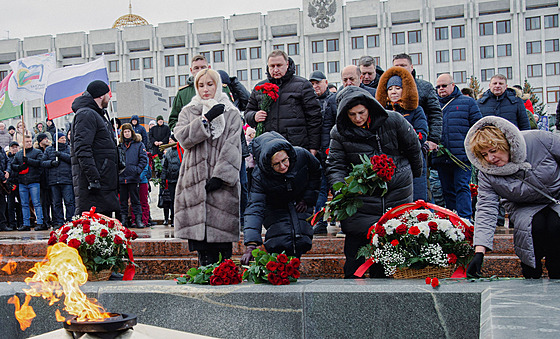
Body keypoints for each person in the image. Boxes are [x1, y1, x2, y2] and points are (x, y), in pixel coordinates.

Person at [326, 86, 423, 278]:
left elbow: (414, 149)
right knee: (355, 259)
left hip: (396, 193)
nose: (358, 118)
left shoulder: (393, 120)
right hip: (361, 199)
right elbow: (336, 165)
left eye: (361, 112)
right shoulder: (339, 132)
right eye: (352, 114)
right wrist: (341, 190)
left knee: (386, 259)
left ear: (369, 107)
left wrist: (411, 176)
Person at [465, 116, 560, 279]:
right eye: (484, 154)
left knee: (555, 224)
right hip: (523, 206)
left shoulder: (539, 140)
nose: (490, 159)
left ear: (506, 143)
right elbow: (486, 209)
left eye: (493, 151)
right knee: (533, 226)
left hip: (557, 197)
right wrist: (479, 251)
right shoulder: (487, 172)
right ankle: (531, 274)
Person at [173, 68, 242, 266]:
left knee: (221, 244)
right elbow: (183, 138)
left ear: (218, 85)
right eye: (200, 85)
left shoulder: (231, 113)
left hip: (221, 184)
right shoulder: (189, 110)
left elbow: (233, 146)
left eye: (210, 84)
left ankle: (223, 277)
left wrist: (221, 176)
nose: (205, 89)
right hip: (193, 181)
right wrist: (205, 119)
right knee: (200, 245)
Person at [241, 131, 321, 264]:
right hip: (274, 206)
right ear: (268, 165)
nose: (283, 166)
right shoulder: (260, 175)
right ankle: (280, 268)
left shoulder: (301, 155)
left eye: (284, 160)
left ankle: (293, 266)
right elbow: (255, 206)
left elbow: (316, 172)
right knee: (280, 238)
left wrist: (307, 198)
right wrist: (251, 244)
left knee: (301, 237)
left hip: (299, 200)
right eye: (276, 164)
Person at [245, 50, 322, 155]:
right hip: (269, 146)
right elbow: (248, 112)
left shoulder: (302, 85)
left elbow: (314, 118)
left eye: (279, 65)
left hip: (296, 145)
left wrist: (314, 147)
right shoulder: (260, 88)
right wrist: (254, 116)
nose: (275, 69)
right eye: (272, 66)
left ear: (287, 64)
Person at [432, 74, 482, 219]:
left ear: (453, 85)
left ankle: (465, 220)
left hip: (461, 156)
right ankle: (453, 219)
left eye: (444, 86)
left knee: (462, 188)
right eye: (438, 86)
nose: (441, 89)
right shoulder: (434, 104)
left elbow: (477, 128)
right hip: (441, 157)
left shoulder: (468, 102)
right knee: (447, 191)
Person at [376, 66, 428, 201]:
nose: (393, 92)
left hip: (412, 158)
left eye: (397, 88)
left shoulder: (416, 111)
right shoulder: (380, 113)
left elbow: (422, 134)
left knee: (417, 197)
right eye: (390, 89)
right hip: (389, 160)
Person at [71, 80, 119, 217]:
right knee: (94, 230)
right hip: (94, 185)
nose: (110, 98)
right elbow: (82, 149)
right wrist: (94, 178)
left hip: (103, 181)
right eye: (108, 94)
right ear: (101, 96)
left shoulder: (97, 114)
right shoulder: (86, 114)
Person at [393, 53, 443, 151]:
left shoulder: (425, 87)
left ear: (411, 67)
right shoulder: (386, 88)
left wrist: (433, 139)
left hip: (419, 141)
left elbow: (435, 113)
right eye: (396, 66)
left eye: (403, 65)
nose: (400, 69)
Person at [169, 54, 233, 130]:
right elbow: (174, 121)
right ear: (191, 70)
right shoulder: (183, 93)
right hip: (194, 139)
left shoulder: (222, 89)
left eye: (203, 67)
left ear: (209, 68)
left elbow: (231, 115)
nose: (200, 70)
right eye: (196, 68)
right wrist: (185, 133)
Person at [309, 70, 337, 234]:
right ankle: (319, 222)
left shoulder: (333, 100)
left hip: (332, 152)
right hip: (316, 153)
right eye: (312, 84)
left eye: (317, 83)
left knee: (336, 187)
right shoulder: (309, 102)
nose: (315, 86)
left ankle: (339, 219)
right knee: (320, 188)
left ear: (326, 83)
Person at [10, 136, 45, 231]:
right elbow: (13, 165)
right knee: (24, 204)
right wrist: (20, 167)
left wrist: (29, 161)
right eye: (27, 141)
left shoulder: (37, 152)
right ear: (23, 143)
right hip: (22, 182)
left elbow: (40, 163)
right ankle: (26, 223)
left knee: (36, 203)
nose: (29, 143)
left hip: (34, 181)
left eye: (30, 141)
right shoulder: (19, 154)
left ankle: (40, 222)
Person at [41, 132, 74, 228]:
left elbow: (72, 159)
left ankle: (70, 220)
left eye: (64, 138)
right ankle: (59, 221)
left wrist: (60, 155)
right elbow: (43, 162)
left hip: (66, 179)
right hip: (53, 180)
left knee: (69, 202)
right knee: (56, 202)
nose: (64, 140)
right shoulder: (49, 150)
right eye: (61, 138)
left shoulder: (68, 148)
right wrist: (51, 163)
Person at [118, 123, 148, 228]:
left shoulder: (139, 144)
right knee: (123, 201)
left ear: (132, 132)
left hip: (133, 177)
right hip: (122, 177)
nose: (127, 133)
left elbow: (144, 159)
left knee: (136, 200)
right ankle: (124, 220)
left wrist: (137, 170)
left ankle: (139, 220)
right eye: (125, 132)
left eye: (128, 131)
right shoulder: (119, 146)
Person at [160, 135, 181, 226]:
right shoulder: (168, 153)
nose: (170, 142)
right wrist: (163, 178)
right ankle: (172, 219)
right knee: (172, 200)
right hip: (171, 180)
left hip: (179, 180)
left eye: (171, 140)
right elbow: (165, 167)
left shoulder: (181, 151)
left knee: (179, 201)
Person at [6, 141, 22, 231]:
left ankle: (20, 222)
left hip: (20, 182)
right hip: (10, 183)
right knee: (10, 204)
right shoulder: (8, 158)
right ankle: (12, 223)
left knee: (21, 204)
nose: (15, 149)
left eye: (16, 147)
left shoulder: (20, 156)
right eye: (13, 147)